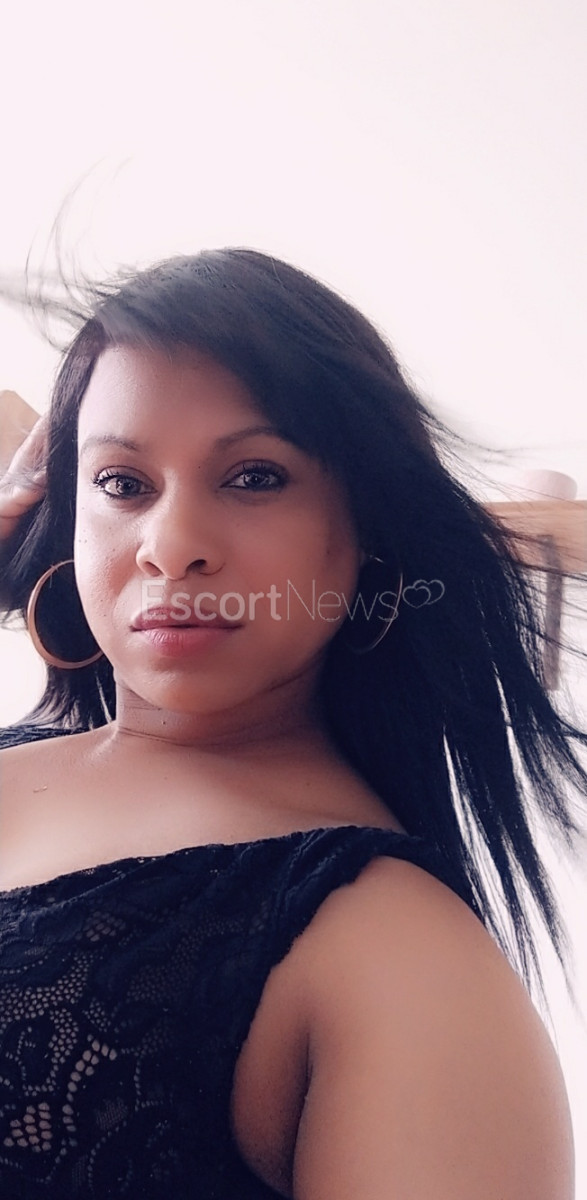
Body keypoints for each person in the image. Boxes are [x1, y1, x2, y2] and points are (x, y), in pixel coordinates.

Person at [0, 247, 585, 1199]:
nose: (170, 548)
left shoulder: (396, 958)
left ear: (366, 528)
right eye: (122, 483)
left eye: (254, 477)